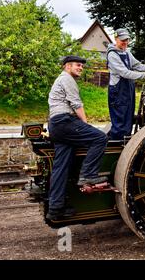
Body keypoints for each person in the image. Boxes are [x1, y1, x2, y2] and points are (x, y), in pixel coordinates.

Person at [46, 55, 108, 221]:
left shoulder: (60, 80)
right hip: (64, 121)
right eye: (78, 65)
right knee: (100, 138)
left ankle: (55, 208)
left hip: (56, 125)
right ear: (67, 66)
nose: (81, 68)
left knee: (61, 167)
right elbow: (76, 104)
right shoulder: (67, 79)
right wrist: (86, 125)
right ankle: (88, 175)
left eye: (82, 66)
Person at [107, 28, 145, 140]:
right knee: (120, 122)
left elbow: (139, 66)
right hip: (118, 92)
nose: (125, 42)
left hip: (128, 90)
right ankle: (116, 146)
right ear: (115, 39)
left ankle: (125, 143)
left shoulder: (126, 52)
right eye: (122, 40)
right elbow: (125, 73)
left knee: (128, 118)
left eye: (127, 40)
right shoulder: (112, 55)